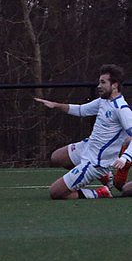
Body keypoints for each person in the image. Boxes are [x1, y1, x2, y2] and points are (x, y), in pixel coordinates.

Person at [34, 64, 132, 199]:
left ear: (114, 85)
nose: (99, 86)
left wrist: (125, 157)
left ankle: (100, 193)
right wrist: (55, 105)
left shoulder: (122, 109)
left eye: (103, 82)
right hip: (88, 147)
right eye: (99, 82)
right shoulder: (103, 101)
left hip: (95, 162)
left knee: (55, 192)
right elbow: (81, 110)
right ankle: (105, 177)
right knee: (56, 157)